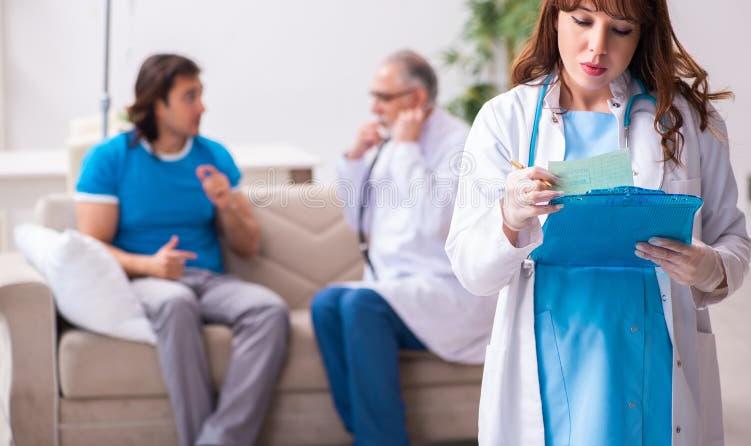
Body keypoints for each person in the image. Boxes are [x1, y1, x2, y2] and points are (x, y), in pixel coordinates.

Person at [445, 0, 751, 445]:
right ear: (555, 17)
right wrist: (510, 214)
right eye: (582, 21)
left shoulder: (689, 123)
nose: (597, 46)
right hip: (550, 356)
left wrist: (708, 268)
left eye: (621, 29)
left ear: (642, 35)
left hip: (654, 355)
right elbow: (472, 272)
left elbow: (732, 241)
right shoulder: (506, 120)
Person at [75, 54, 289, 446]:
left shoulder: (214, 156)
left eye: (200, 95)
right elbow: (92, 247)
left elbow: (249, 246)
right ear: (157, 104)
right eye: (190, 96)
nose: (201, 107)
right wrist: (149, 265)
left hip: (209, 278)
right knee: (176, 303)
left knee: (269, 309)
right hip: (144, 280)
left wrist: (227, 206)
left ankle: (217, 441)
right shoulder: (111, 159)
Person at [310, 50, 497, 445]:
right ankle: (365, 433)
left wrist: (409, 149)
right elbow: (357, 222)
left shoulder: (458, 143)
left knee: (360, 306)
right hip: (398, 288)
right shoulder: (389, 142)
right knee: (326, 304)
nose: (374, 107)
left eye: (383, 97)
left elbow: (435, 224)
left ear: (414, 98)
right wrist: (356, 158)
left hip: (447, 290)